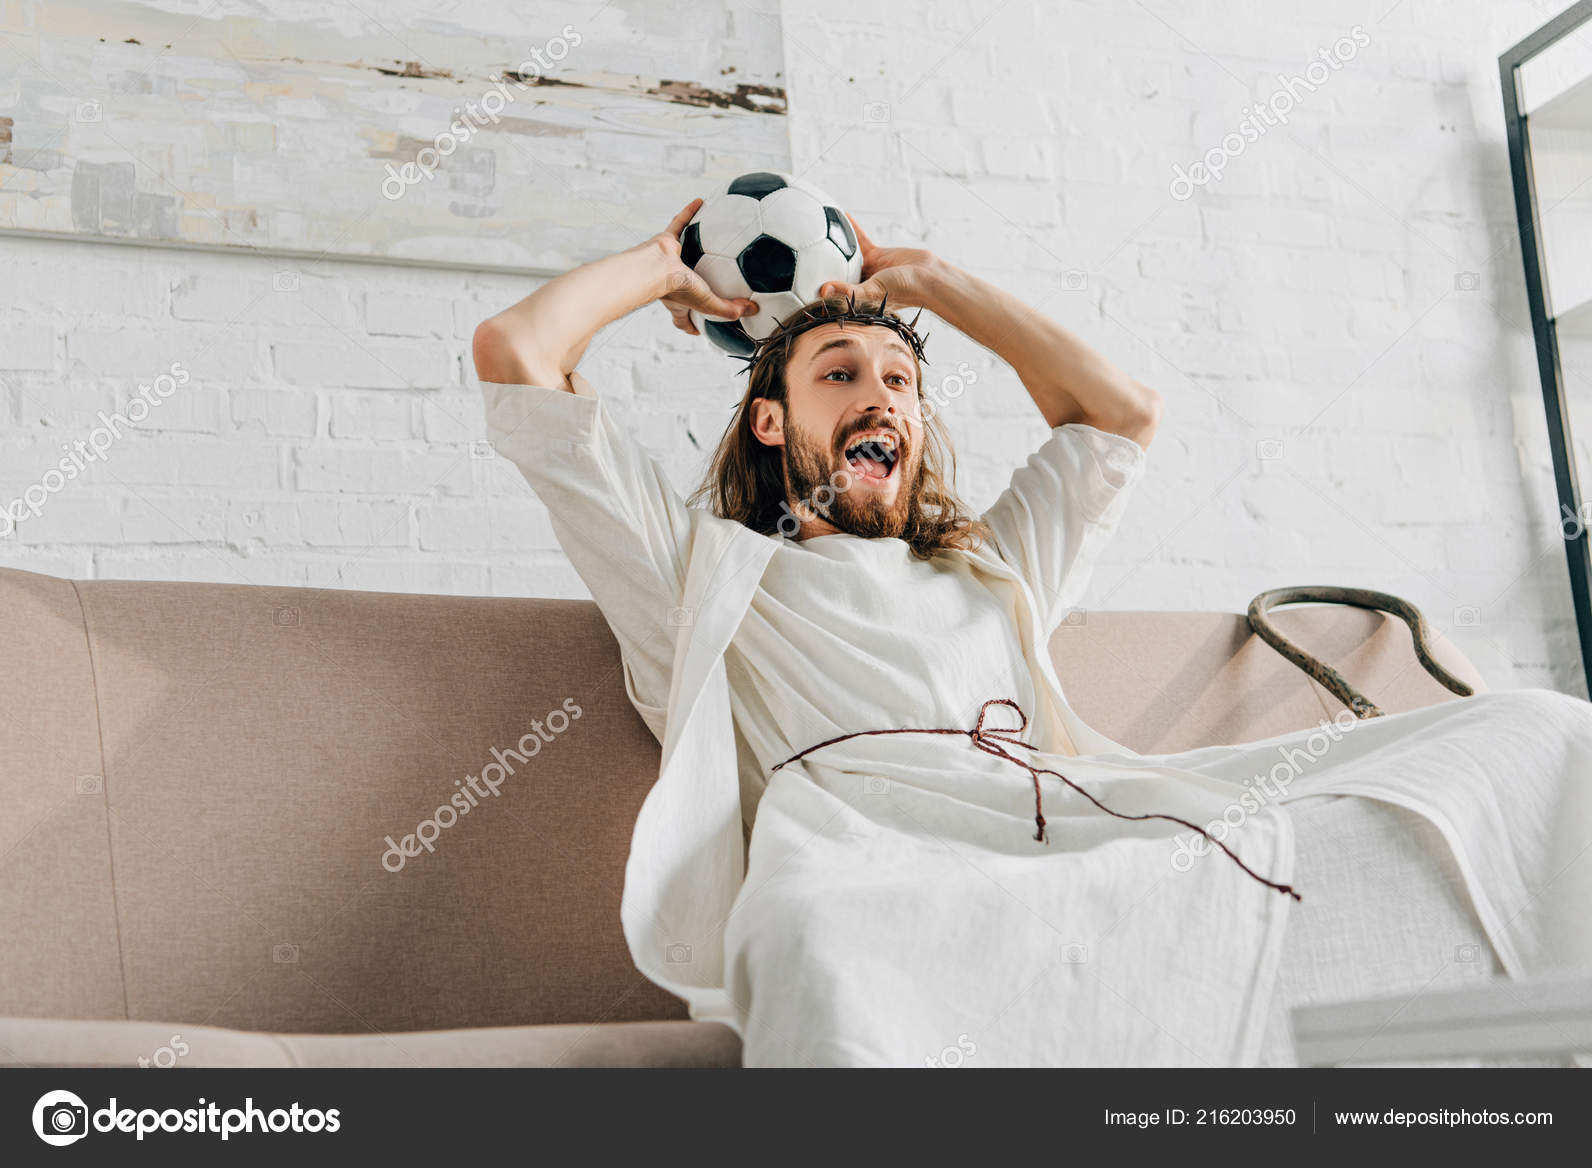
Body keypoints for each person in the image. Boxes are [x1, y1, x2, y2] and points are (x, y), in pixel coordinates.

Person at [471, 199, 1592, 1066]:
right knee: (814, 943)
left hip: (1077, 835)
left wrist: (934, 282)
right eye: (840, 373)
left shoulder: (988, 567)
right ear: (770, 420)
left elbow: (1119, 412)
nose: (884, 397)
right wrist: (666, 263)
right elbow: (517, 351)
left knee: (1534, 733)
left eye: (902, 379)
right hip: (878, 865)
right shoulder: (703, 575)